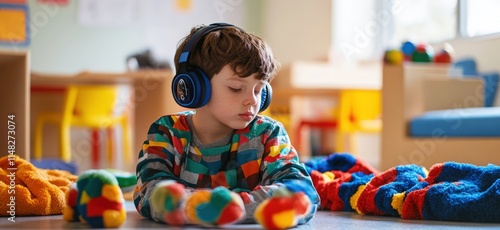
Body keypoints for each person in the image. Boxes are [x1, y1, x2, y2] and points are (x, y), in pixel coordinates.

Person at [133, 22, 320, 226]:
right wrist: (201, 205)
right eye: (236, 88)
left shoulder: (268, 134)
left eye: (259, 90)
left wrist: (231, 207)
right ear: (193, 88)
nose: (252, 100)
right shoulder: (166, 133)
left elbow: (301, 190)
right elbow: (149, 191)